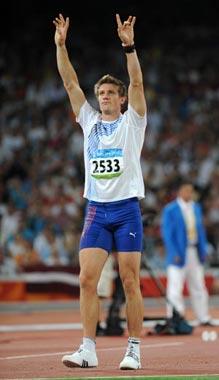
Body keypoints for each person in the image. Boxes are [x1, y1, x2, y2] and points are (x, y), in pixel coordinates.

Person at [53, 13, 147, 370]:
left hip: (125, 210)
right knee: (86, 278)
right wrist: (61, 46)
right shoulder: (89, 120)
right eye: (101, 93)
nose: (104, 97)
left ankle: (134, 348)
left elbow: (137, 82)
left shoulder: (133, 122)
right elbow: (69, 83)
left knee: (129, 279)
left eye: (111, 93)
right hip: (96, 209)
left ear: (121, 99)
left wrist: (129, 46)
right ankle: (88, 348)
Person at [161, 180, 212, 326]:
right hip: (178, 252)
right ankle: (176, 317)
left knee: (198, 285)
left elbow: (200, 230)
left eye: (191, 191)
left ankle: (203, 316)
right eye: (187, 190)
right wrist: (173, 252)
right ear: (180, 192)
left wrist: (203, 249)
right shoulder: (170, 209)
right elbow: (167, 234)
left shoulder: (196, 207)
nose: (190, 193)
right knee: (175, 286)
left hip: (194, 251)